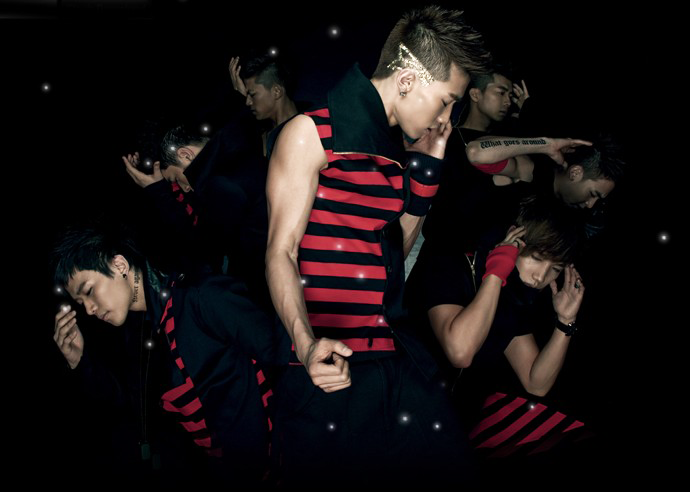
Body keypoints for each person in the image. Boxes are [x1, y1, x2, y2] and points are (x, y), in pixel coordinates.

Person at [265, 5, 491, 486]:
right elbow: (280, 252)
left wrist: (426, 170)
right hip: (327, 364)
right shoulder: (310, 133)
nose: (447, 117)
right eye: (446, 101)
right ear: (407, 80)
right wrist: (305, 344)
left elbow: (391, 261)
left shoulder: (394, 153)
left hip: (392, 358)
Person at [51, 221, 289, 487]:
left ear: (119, 265)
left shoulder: (199, 298)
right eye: (81, 303)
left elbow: (284, 357)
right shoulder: (139, 337)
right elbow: (132, 408)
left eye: (89, 291)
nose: (89, 309)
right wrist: (79, 361)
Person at [404, 195, 588, 459]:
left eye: (555, 269)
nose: (540, 277)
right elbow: (460, 352)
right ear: (514, 240)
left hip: (448, 425)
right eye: (536, 258)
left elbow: (535, 382)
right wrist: (496, 272)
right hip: (403, 406)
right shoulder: (450, 261)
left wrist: (565, 322)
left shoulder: (516, 296)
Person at [122, 112, 273, 308]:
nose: (184, 189)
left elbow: (202, 252)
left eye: (175, 179)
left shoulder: (222, 186)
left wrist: (158, 192)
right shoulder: (236, 157)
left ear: (185, 154)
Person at [229, 52, 301, 157]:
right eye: (246, 96)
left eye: (252, 95)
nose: (247, 102)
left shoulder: (304, 131)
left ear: (276, 91)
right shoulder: (264, 136)